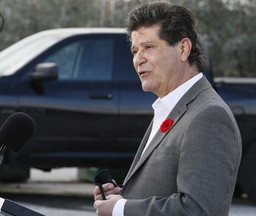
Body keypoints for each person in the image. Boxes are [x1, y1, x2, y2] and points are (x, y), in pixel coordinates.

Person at [93, 2, 242, 216]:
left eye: (148, 47)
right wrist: (120, 198)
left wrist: (121, 209)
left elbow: (199, 210)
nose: (138, 59)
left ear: (183, 49)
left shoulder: (209, 116)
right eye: (135, 50)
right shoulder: (171, 107)